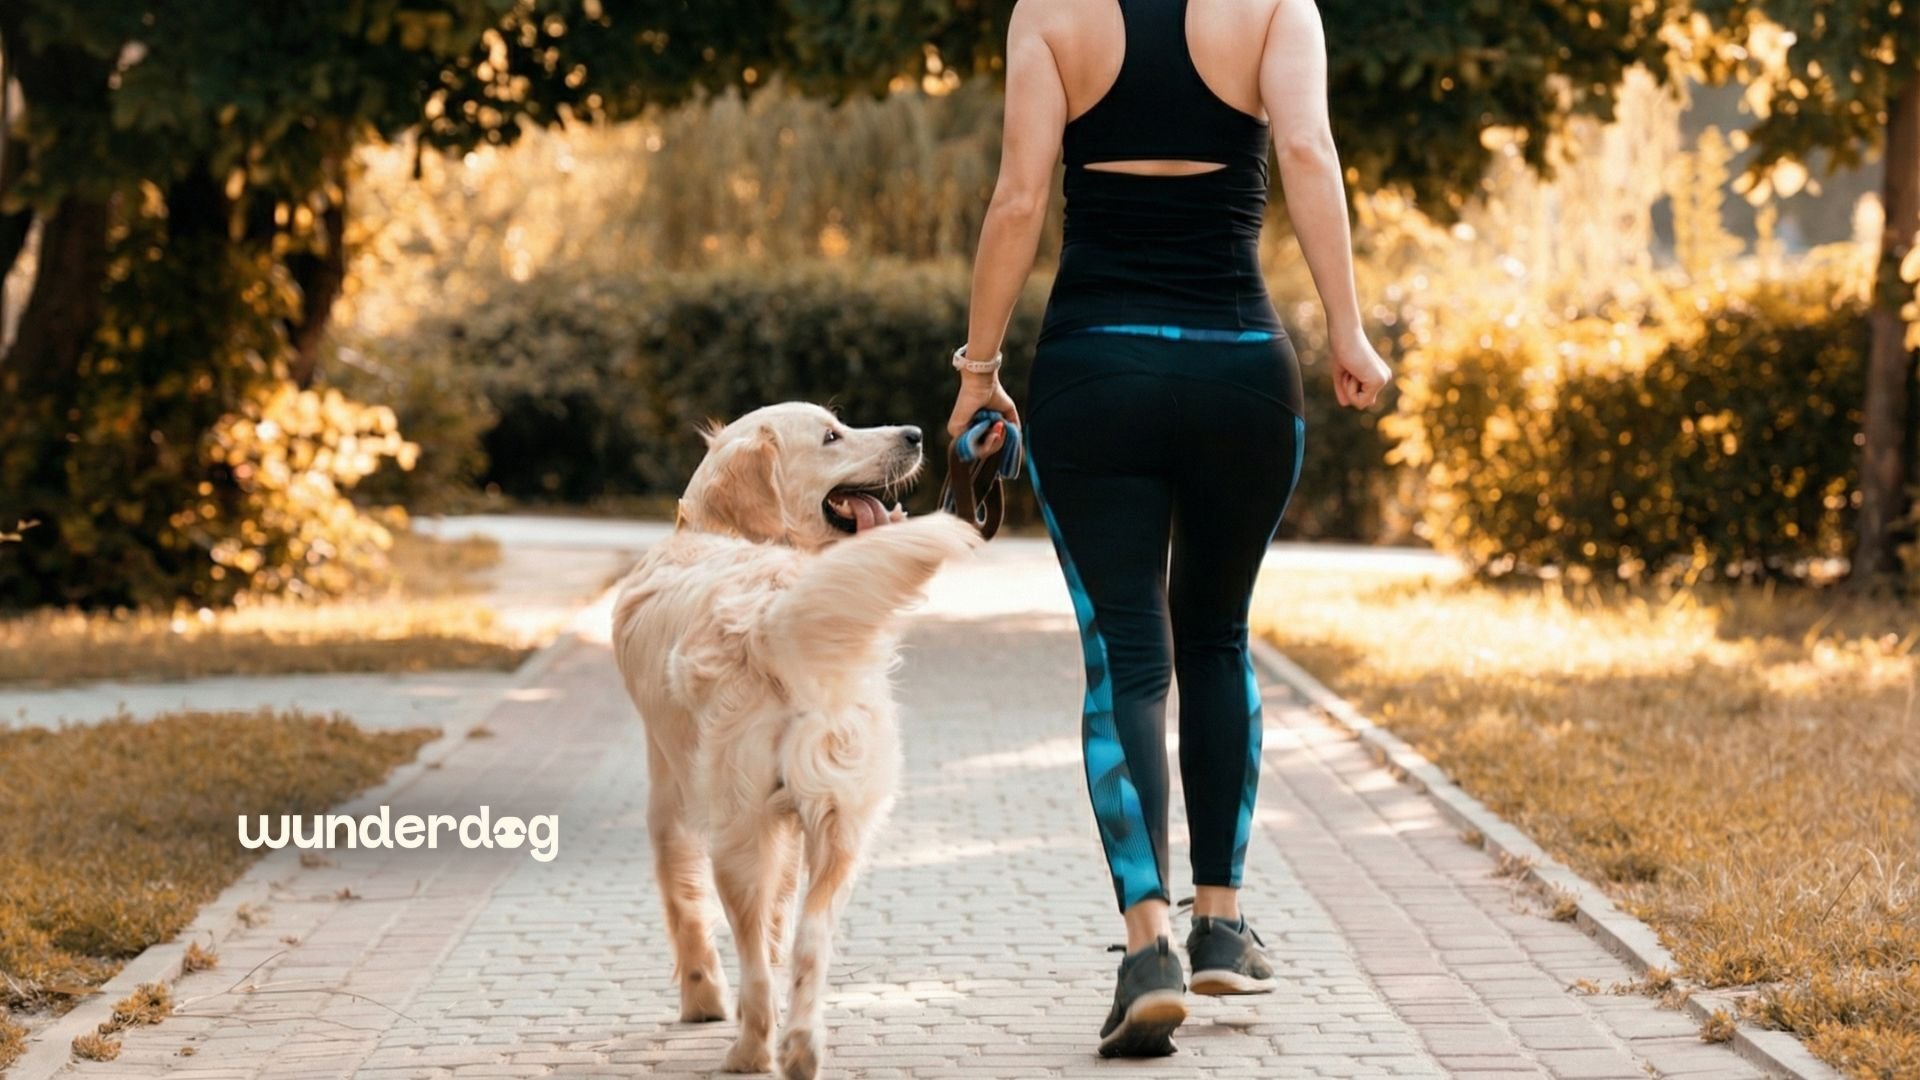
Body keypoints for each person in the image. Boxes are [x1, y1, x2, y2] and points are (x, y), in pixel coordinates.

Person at [945, 0, 1392, 1058]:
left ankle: (1149, 944)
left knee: (1128, 660)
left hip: (1093, 374)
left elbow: (1018, 198)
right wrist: (1348, 329)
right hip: (1241, 371)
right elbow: (1306, 149)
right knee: (1218, 637)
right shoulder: (1277, 7)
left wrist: (978, 370)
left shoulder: (1048, 13)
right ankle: (1221, 922)